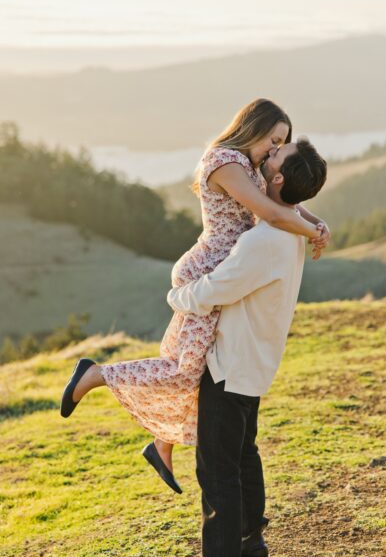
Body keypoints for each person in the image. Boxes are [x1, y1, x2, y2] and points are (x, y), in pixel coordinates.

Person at [59, 99, 330, 493]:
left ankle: (162, 444)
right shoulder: (225, 163)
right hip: (207, 273)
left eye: (281, 144)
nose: (274, 151)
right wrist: (312, 231)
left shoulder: (250, 166)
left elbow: (284, 203)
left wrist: (318, 223)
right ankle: (95, 375)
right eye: (273, 140)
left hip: (227, 272)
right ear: (252, 127)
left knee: (201, 370)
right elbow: (270, 214)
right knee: (184, 369)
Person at [152, 138, 323, 557]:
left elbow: (214, 290)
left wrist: (176, 296)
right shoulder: (289, 233)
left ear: (280, 180)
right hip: (255, 361)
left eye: (274, 159)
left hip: (230, 364)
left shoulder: (264, 239)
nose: (266, 159)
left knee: (217, 468)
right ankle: (250, 544)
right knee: (243, 455)